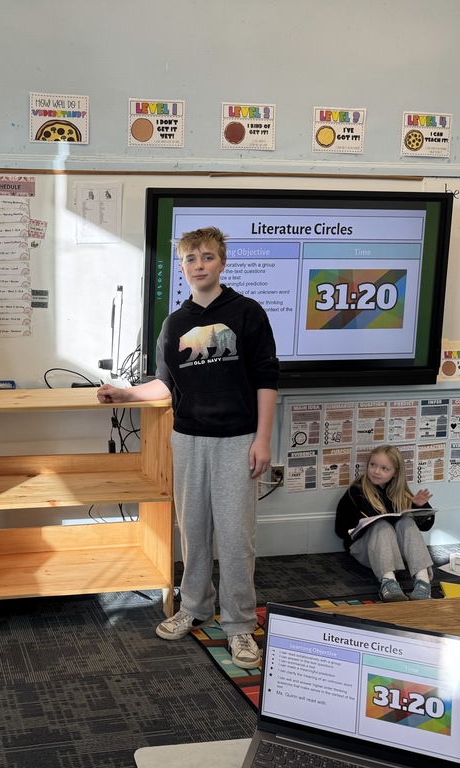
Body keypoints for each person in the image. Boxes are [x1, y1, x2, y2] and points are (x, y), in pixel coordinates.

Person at [97, 226, 278, 669]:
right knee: (192, 532)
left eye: (208, 258)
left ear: (222, 262)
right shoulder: (175, 323)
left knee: (236, 539)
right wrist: (125, 394)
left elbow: (267, 379)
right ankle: (195, 606)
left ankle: (238, 624)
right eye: (191, 259)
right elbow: (164, 383)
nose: (199, 266)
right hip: (189, 439)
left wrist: (263, 439)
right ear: (182, 267)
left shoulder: (247, 313)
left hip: (238, 441)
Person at [335, 445, 435, 602]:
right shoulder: (356, 492)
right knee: (381, 526)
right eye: (373, 465)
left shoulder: (401, 494)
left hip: (397, 553)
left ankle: (423, 581)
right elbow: (340, 530)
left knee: (406, 522)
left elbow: (425, 526)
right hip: (367, 550)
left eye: (384, 468)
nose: (376, 471)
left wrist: (419, 507)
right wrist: (364, 524)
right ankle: (388, 582)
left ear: (395, 473)